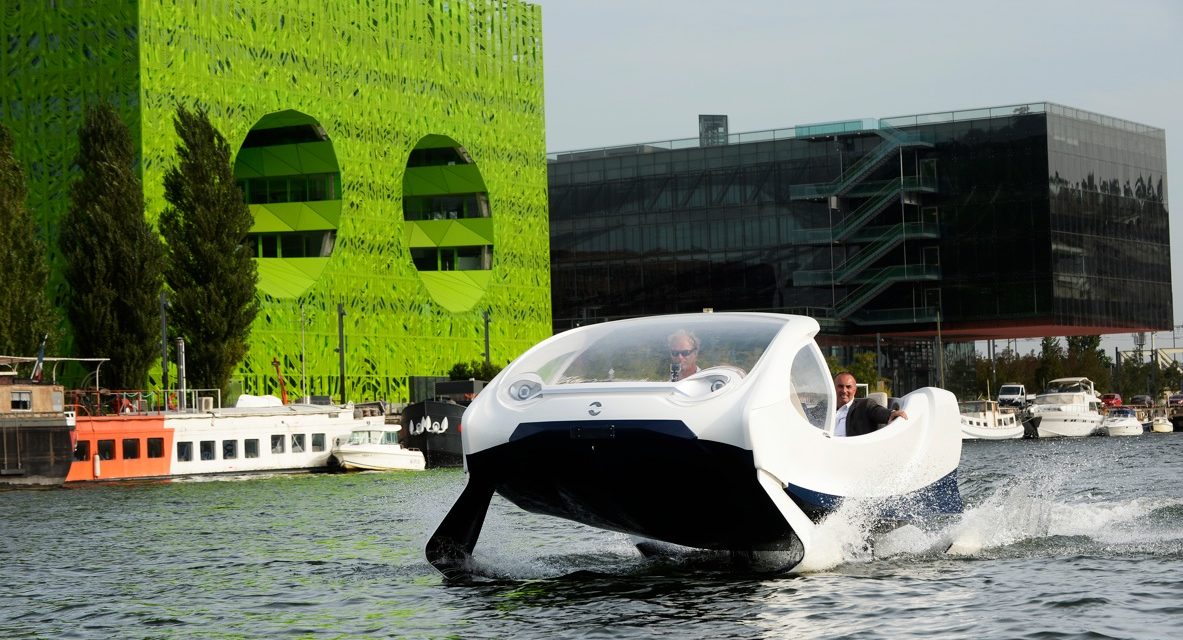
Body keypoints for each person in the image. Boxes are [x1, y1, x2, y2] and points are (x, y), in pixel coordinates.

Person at [833, 371, 907, 437]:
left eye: (848, 387)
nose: (844, 390)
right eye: (840, 386)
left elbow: (878, 411)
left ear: (854, 390)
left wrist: (891, 413)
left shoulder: (864, 406)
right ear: (833, 388)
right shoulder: (826, 409)